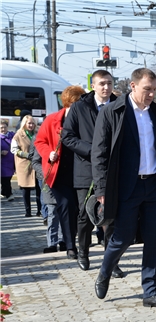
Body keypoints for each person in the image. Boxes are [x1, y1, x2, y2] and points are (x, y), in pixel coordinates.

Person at [91, 68, 156, 309]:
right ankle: (105, 270)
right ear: (133, 86)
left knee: (153, 239)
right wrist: (101, 189)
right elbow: (98, 153)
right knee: (123, 237)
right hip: (126, 186)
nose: (151, 94)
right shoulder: (113, 112)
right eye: (146, 89)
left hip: (154, 184)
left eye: (154, 90)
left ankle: (150, 291)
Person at [61, 70, 123, 275]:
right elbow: (67, 137)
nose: (106, 88)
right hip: (86, 170)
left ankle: (111, 261)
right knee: (85, 216)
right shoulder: (80, 107)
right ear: (93, 86)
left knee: (110, 217)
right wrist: (92, 151)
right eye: (102, 84)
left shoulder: (121, 106)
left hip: (113, 171)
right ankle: (83, 252)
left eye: (109, 83)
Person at [34, 86, 86, 259]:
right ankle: (71, 246)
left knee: (79, 209)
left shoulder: (85, 120)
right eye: (74, 104)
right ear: (67, 104)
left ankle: (81, 242)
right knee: (65, 206)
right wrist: (49, 153)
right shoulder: (52, 120)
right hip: (58, 171)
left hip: (80, 171)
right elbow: (40, 141)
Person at [30, 143, 65, 253]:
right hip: (48, 181)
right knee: (52, 212)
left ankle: (63, 240)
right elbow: (35, 162)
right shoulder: (42, 142)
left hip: (63, 182)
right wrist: (46, 172)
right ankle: (52, 243)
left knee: (64, 212)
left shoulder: (63, 139)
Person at [11, 115, 42, 217]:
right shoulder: (18, 135)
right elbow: (14, 149)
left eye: (33, 123)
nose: (31, 125)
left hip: (36, 163)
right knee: (26, 188)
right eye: (29, 123)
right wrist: (25, 155)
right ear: (24, 124)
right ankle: (27, 211)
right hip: (24, 163)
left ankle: (39, 210)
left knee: (39, 187)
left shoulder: (38, 133)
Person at [1, 122, 15, 201]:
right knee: (5, 177)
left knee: (7, 177)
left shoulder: (12, 135)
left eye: (4, 127)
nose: (3, 129)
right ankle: (9, 194)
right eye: (1, 128)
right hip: (3, 161)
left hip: (12, 160)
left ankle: (3, 192)